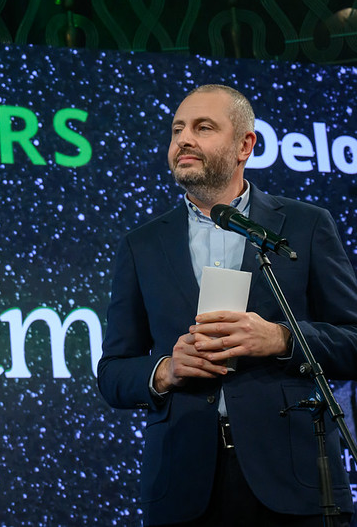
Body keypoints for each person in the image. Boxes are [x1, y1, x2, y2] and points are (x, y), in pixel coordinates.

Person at [97, 84, 357, 526]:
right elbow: (113, 372)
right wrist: (165, 370)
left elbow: (352, 342)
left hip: (294, 481)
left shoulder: (306, 225)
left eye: (203, 128)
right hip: (184, 486)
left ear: (244, 145)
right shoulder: (142, 245)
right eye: (177, 129)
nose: (184, 139)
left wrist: (281, 338)